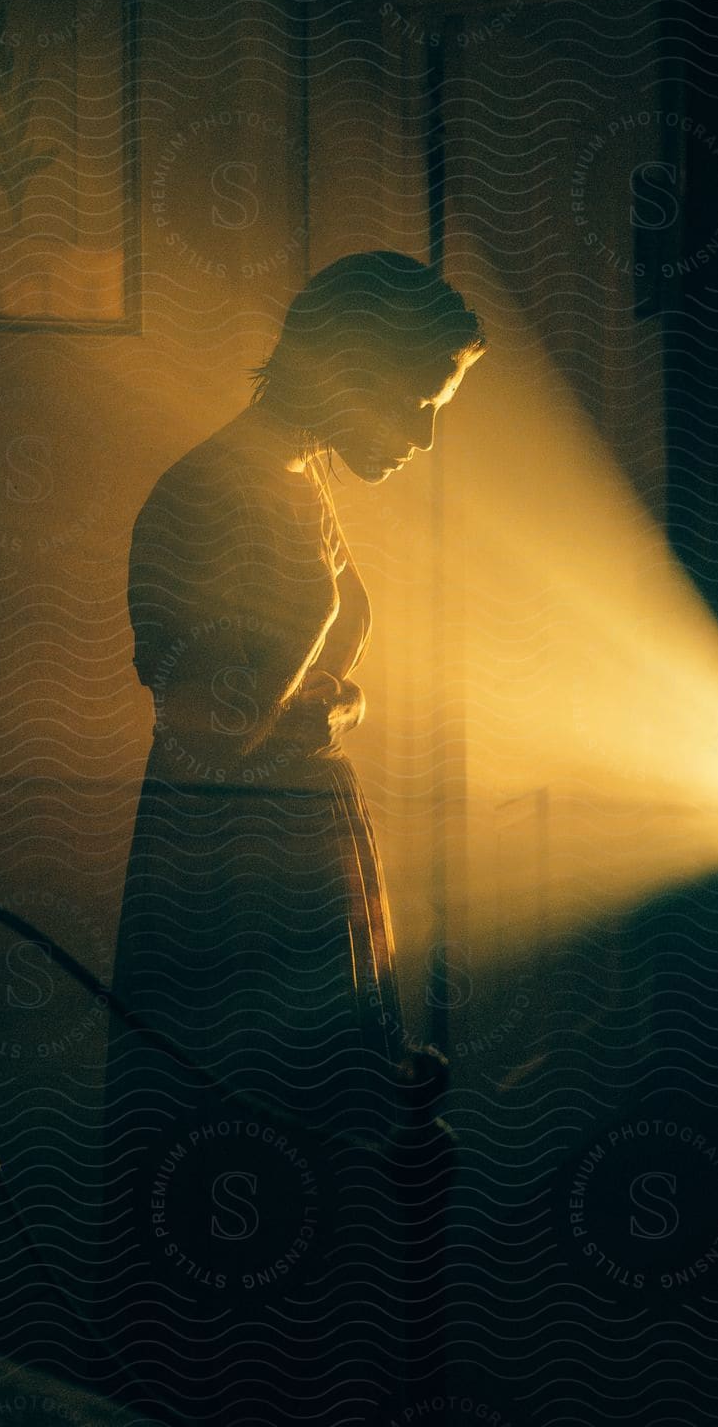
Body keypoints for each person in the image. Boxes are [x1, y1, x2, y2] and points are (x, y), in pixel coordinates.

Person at [105, 251, 485, 1154]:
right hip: (228, 863)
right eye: (419, 403)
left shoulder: (296, 474)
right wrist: (319, 697)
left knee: (321, 1137)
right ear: (354, 371)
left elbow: (302, 685)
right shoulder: (213, 493)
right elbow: (209, 730)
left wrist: (326, 705)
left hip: (296, 842)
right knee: (243, 1129)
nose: (425, 438)